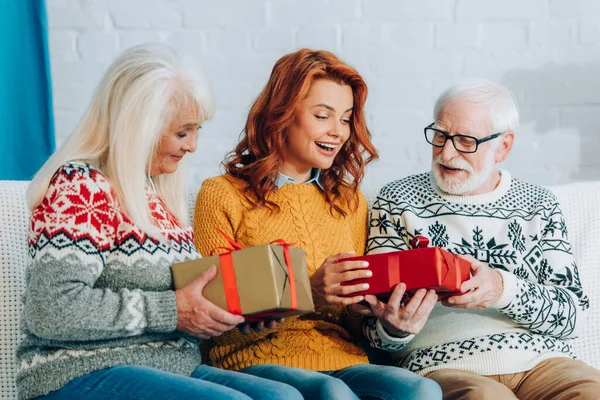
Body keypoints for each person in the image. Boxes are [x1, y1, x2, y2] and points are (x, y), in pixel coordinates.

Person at [17, 43, 302, 400]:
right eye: (182, 132)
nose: (193, 146)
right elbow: (52, 309)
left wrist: (237, 312)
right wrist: (173, 310)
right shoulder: (82, 186)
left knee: (283, 397)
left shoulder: (157, 195)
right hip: (82, 371)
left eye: (197, 130)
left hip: (170, 367)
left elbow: (182, 310)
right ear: (139, 127)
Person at [194, 48, 442, 400]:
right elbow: (212, 321)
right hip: (253, 361)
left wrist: (370, 314)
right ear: (282, 114)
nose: (338, 132)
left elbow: (349, 324)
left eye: (345, 119)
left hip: (345, 358)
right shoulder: (222, 194)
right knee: (332, 391)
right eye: (323, 116)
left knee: (422, 390)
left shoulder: (349, 202)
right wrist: (306, 290)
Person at [361, 78, 600, 399]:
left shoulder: (538, 204)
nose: (447, 152)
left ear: (503, 146)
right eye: (440, 135)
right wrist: (393, 329)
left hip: (542, 363)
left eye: (464, 141)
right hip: (443, 364)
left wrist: (501, 289)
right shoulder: (396, 200)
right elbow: (371, 333)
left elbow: (571, 318)